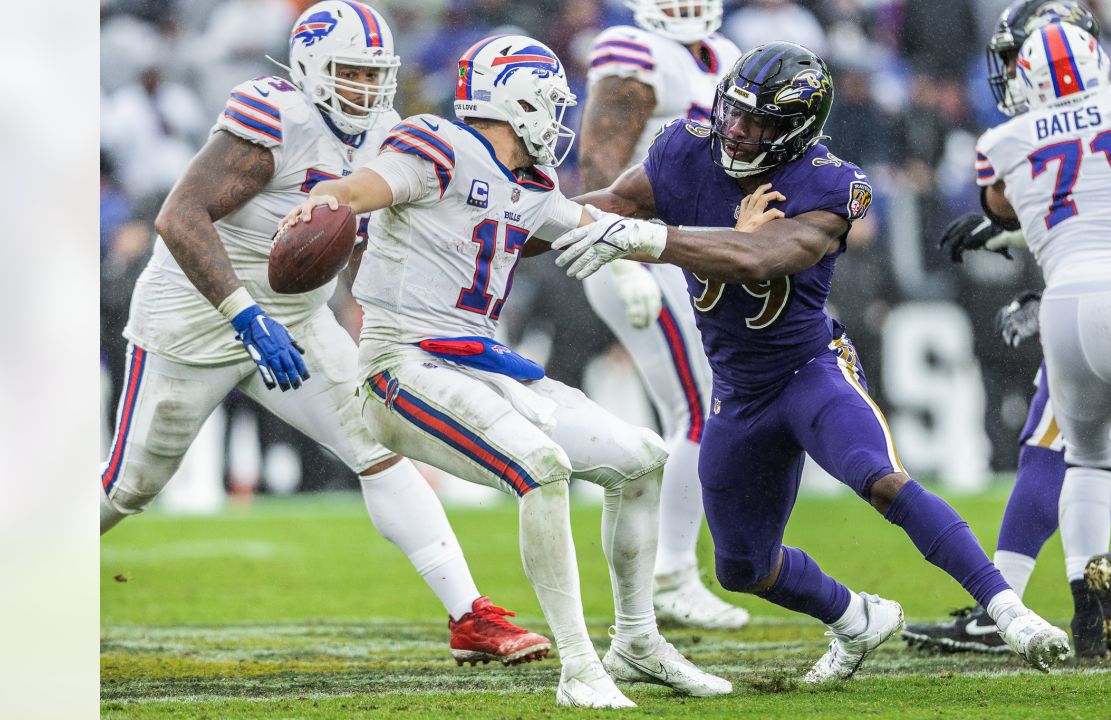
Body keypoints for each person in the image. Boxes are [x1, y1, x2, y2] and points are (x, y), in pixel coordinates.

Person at [552, 41, 1071, 681]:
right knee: (741, 568)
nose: (738, 131)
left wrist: (652, 239)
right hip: (736, 392)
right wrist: (501, 228)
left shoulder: (829, 182)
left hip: (808, 371)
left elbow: (759, 259)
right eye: (735, 112)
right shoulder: (685, 150)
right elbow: (598, 211)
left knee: (879, 477)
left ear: (796, 130)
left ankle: (1008, 612)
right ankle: (857, 621)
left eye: (760, 121)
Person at [278, 34, 731, 708]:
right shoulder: (437, 145)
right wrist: (333, 200)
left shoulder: (530, 185)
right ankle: (579, 665)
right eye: (550, 103)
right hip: (402, 366)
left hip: (484, 366)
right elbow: (367, 187)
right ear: (516, 99)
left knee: (642, 457)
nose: (558, 118)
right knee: (540, 464)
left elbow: (599, 225)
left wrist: (713, 246)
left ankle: (636, 642)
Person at [100, 1, 550, 668]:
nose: (364, 89)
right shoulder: (275, 115)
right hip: (192, 318)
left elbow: (379, 237)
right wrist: (244, 316)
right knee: (129, 486)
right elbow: (179, 215)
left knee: (377, 442)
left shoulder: (385, 134)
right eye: (349, 72)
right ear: (309, 66)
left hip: (297, 317)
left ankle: (470, 617)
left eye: (374, 75)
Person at [914, 0, 1111, 657]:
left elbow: (1018, 195)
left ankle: (1088, 618)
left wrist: (1008, 222)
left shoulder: (1000, 143)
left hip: (1067, 306)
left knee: (1085, 461)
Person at [577, 0, 749, 630]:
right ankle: (671, 574)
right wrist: (619, 256)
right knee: (702, 408)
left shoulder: (725, 54)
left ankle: (673, 568)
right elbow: (598, 162)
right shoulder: (633, 49)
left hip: (689, 252)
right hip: (641, 250)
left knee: (710, 407)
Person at [902, 298, 1111, 656]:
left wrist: (1053, 298)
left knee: (1046, 450)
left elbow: (1083, 245)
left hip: (1099, 312)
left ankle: (1000, 609)